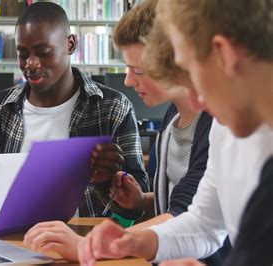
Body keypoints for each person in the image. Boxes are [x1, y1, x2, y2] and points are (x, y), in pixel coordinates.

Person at [23, 1, 224, 263]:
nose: (128, 80)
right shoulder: (173, 115)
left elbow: (190, 217)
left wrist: (91, 246)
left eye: (138, 70)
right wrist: (143, 201)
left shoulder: (217, 125)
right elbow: (198, 209)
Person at [77, 0, 273, 265]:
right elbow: (204, 222)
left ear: (224, 54)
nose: (195, 103)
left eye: (190, 74)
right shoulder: (224, 128)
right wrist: (134, 242)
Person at [0, 1, 149, 220]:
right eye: (23, 54)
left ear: (70, 44)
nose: (30, 64)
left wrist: (108, 182)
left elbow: (137, 206)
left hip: (83, 242)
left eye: (43, 52)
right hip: (12, 240)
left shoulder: (113, 108)